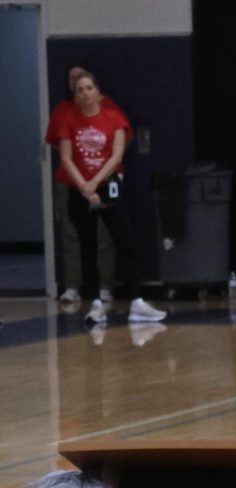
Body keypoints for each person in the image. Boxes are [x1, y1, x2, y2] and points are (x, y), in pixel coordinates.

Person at [51, 72, 166, 325]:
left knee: (125, 241)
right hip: (79, 189)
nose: (85, 93)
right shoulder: (68, 120)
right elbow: (66, 158)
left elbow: (116, 157)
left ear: (97, 91)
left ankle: (137, 302)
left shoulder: (113, 118)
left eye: (89, 88)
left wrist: (96, 182)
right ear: (75, 95)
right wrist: (83, 186)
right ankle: (95, 304)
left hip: (106, 186)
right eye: (79, 89)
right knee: (87, 246)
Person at [45, 65, 129, 304]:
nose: (80, 87)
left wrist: (98, 175)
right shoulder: (63, 111)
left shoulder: (109, 109)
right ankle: (73, 285)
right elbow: (57, 143)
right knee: (72, 234)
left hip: (103, 179)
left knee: (105, 235)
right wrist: (79, 172)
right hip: (71, 180)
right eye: (73, 80)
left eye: (85, 84)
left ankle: (105, 286)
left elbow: (120, 143)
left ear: (95, 88)